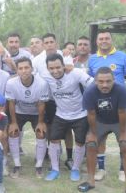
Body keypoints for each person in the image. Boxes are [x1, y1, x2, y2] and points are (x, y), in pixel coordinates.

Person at [78, 67, 126, 193]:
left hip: (119, 120)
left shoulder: (122, 91)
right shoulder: (89, 92)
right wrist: (93, 134)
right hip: (100, 121)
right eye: (101, 81)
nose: (105, 85)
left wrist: (123, 133)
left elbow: (122, 112)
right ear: (95, 81)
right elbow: (91, 114)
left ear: (114, 80)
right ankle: (90, 181)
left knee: (125, 145)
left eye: (108, 81)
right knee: (91, 145)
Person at [88, 31, 126, 182]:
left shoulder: (122, 56)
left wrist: (125, 93)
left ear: (111, 40)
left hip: (119, 108)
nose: (104, 41)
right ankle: (101, 169)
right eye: (101, 39)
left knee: (123, 140)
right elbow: (90, 79)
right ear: (96, 41)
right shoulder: (92, 58)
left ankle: (123, 170)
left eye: (107, 38)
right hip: (100, 108)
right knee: (99, 141)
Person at [42, 53, 94, 182]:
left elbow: (93, 85)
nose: (55, 71)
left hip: (80, 114)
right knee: (53, 140)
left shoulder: (75, 73)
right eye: (51, 68)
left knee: (80, 142)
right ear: (47, 68)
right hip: (61, 114)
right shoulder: (45, 76)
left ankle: (75, 169)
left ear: (64, 65)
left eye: (58, 67)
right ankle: (55, 169)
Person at [32, 33, 74, 170]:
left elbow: (71, 71)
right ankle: (52, 153)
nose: (49, 44)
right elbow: (33, 78)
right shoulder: (37, 60)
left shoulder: (65, 55)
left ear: (56, 43)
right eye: (46, 42)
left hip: (64, 97)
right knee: (49, 127)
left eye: (52, 42)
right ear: (43, 45)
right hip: (47, 99)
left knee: (67, 129)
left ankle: (69, 157)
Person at [5, 57, 49, 179]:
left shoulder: (42, 83)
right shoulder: (11, 83)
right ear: (17, 71)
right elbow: (11, 103)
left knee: (41, 133)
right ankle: (17, 165)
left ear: (32, 69)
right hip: (19, 112)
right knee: (13, 132)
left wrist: (40, 122)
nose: (24, 71)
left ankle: (39, 166)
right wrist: (13, 122)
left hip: (36, 113)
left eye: (26, 68)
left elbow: (41, 104)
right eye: (20, 68)